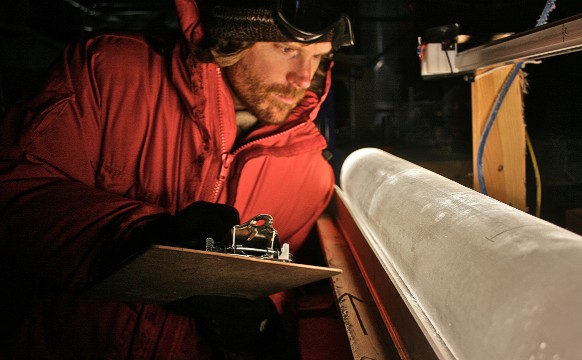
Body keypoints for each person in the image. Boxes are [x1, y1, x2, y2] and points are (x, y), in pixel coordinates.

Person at [0, 0, 354, 358]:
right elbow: (14, 190)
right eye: (287, 49)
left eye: (318, 57)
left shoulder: (310, 175)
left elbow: (284, 283)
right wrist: (139, 237)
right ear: (234, 38)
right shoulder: (109, 73)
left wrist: (263, 316)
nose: (303, 78)